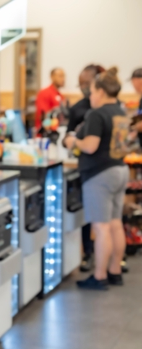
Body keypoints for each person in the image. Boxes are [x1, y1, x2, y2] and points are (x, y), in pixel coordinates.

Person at [64, 67, 129, 290]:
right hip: (120, 169)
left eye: (91, 91)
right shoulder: (120, 111)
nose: (90, 96)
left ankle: (99, 276)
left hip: (100, 174)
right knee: (115, 224)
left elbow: (90, 146)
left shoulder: (97, 114)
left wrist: (73, 142)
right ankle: (115, 271)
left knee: (100, 228)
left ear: (100, 91)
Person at [66, 64, 105, 272]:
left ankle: (101, 268)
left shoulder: (102, 112)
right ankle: (88, 254)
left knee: (101, 223)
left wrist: (77, 143)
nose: (83, 88)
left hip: (99, 171)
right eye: (80, 84)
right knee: (92, 218)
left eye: (86, 84)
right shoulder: (78, 108)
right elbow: (69, 132)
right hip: (87, 168)